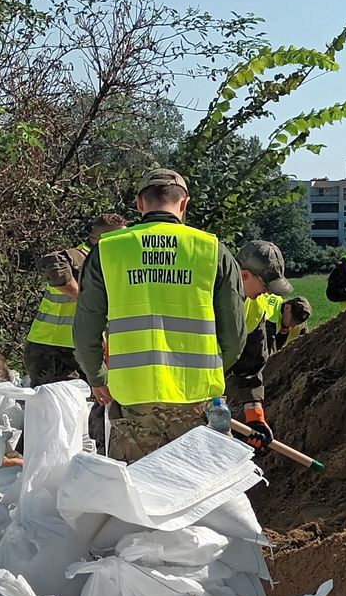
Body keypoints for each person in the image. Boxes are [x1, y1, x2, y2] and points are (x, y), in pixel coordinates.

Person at [72, 168, 247, 463]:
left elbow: (86, 328)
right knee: (198, 492)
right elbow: (234, 336)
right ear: (184, 204)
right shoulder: (212, 251)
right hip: (197, 399)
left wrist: (97, 376)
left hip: (133, 398)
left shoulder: (109, 251)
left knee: (139, 496)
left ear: (140, 203)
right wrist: (211, 371)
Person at [21, 213, 127, 386]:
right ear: (101, 237)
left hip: (81, 349)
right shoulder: (79, 256)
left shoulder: (106, 261)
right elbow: (51, 264)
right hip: (52, 349)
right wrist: (86, 299)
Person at [226, 239, 298, 455]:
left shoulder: (255, 308)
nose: (267, 294)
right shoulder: (204, 298)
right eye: (266, 286)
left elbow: (250, 368)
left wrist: (255, 418)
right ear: (245, 275)